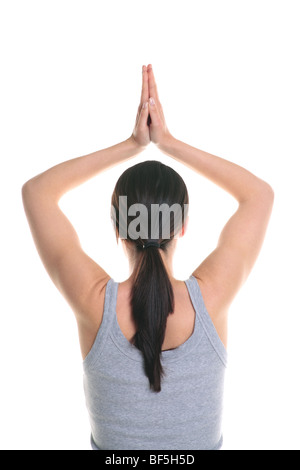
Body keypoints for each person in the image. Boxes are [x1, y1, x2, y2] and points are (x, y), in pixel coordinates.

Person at [22, 64, 274, 450]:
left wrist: (132, 144)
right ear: (183, 225)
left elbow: (37, 192)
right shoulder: (211, 298)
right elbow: (259, 195)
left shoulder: (94, 303)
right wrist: (168, 142)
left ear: (117, 227)